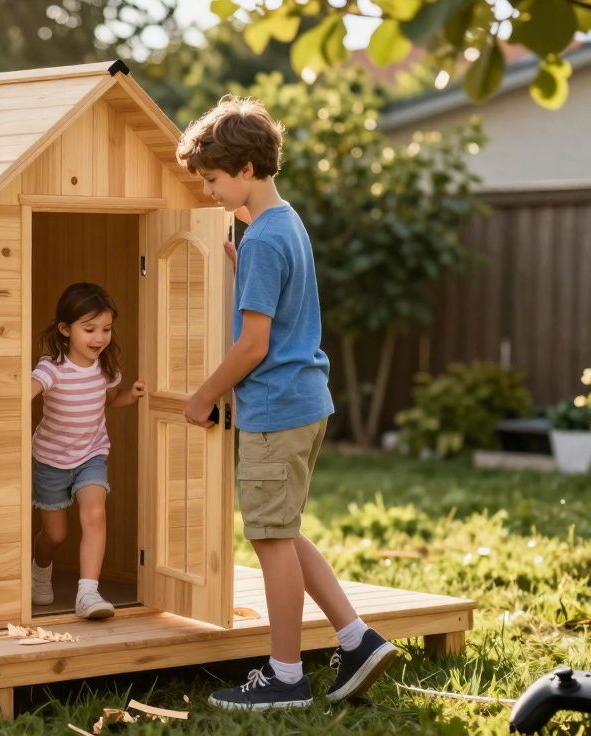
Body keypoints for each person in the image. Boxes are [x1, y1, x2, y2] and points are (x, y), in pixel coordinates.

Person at [176, 95, 398, 710]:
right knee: (283, 529)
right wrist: (244, 260)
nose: (210, 192)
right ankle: (356, 639)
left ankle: (285, 676)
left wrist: (202, 397)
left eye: (214, 180)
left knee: (270, 539)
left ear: (246, 170)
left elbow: (252, 345)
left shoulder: (265, 241)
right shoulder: (281, 225)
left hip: (274, 405)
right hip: (305, 400)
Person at [30, 282, 145, 619]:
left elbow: (111, 400)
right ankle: (40, 570)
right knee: (55, 535)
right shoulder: (52, 368)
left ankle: (87, 593)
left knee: (95, 512)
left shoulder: (105, 367)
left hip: (91, 455)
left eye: (106, 329)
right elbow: (28, 391)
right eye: (89, 329)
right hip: (50, 459)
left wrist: (132, 395)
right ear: (66, 329)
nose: (99, 338)